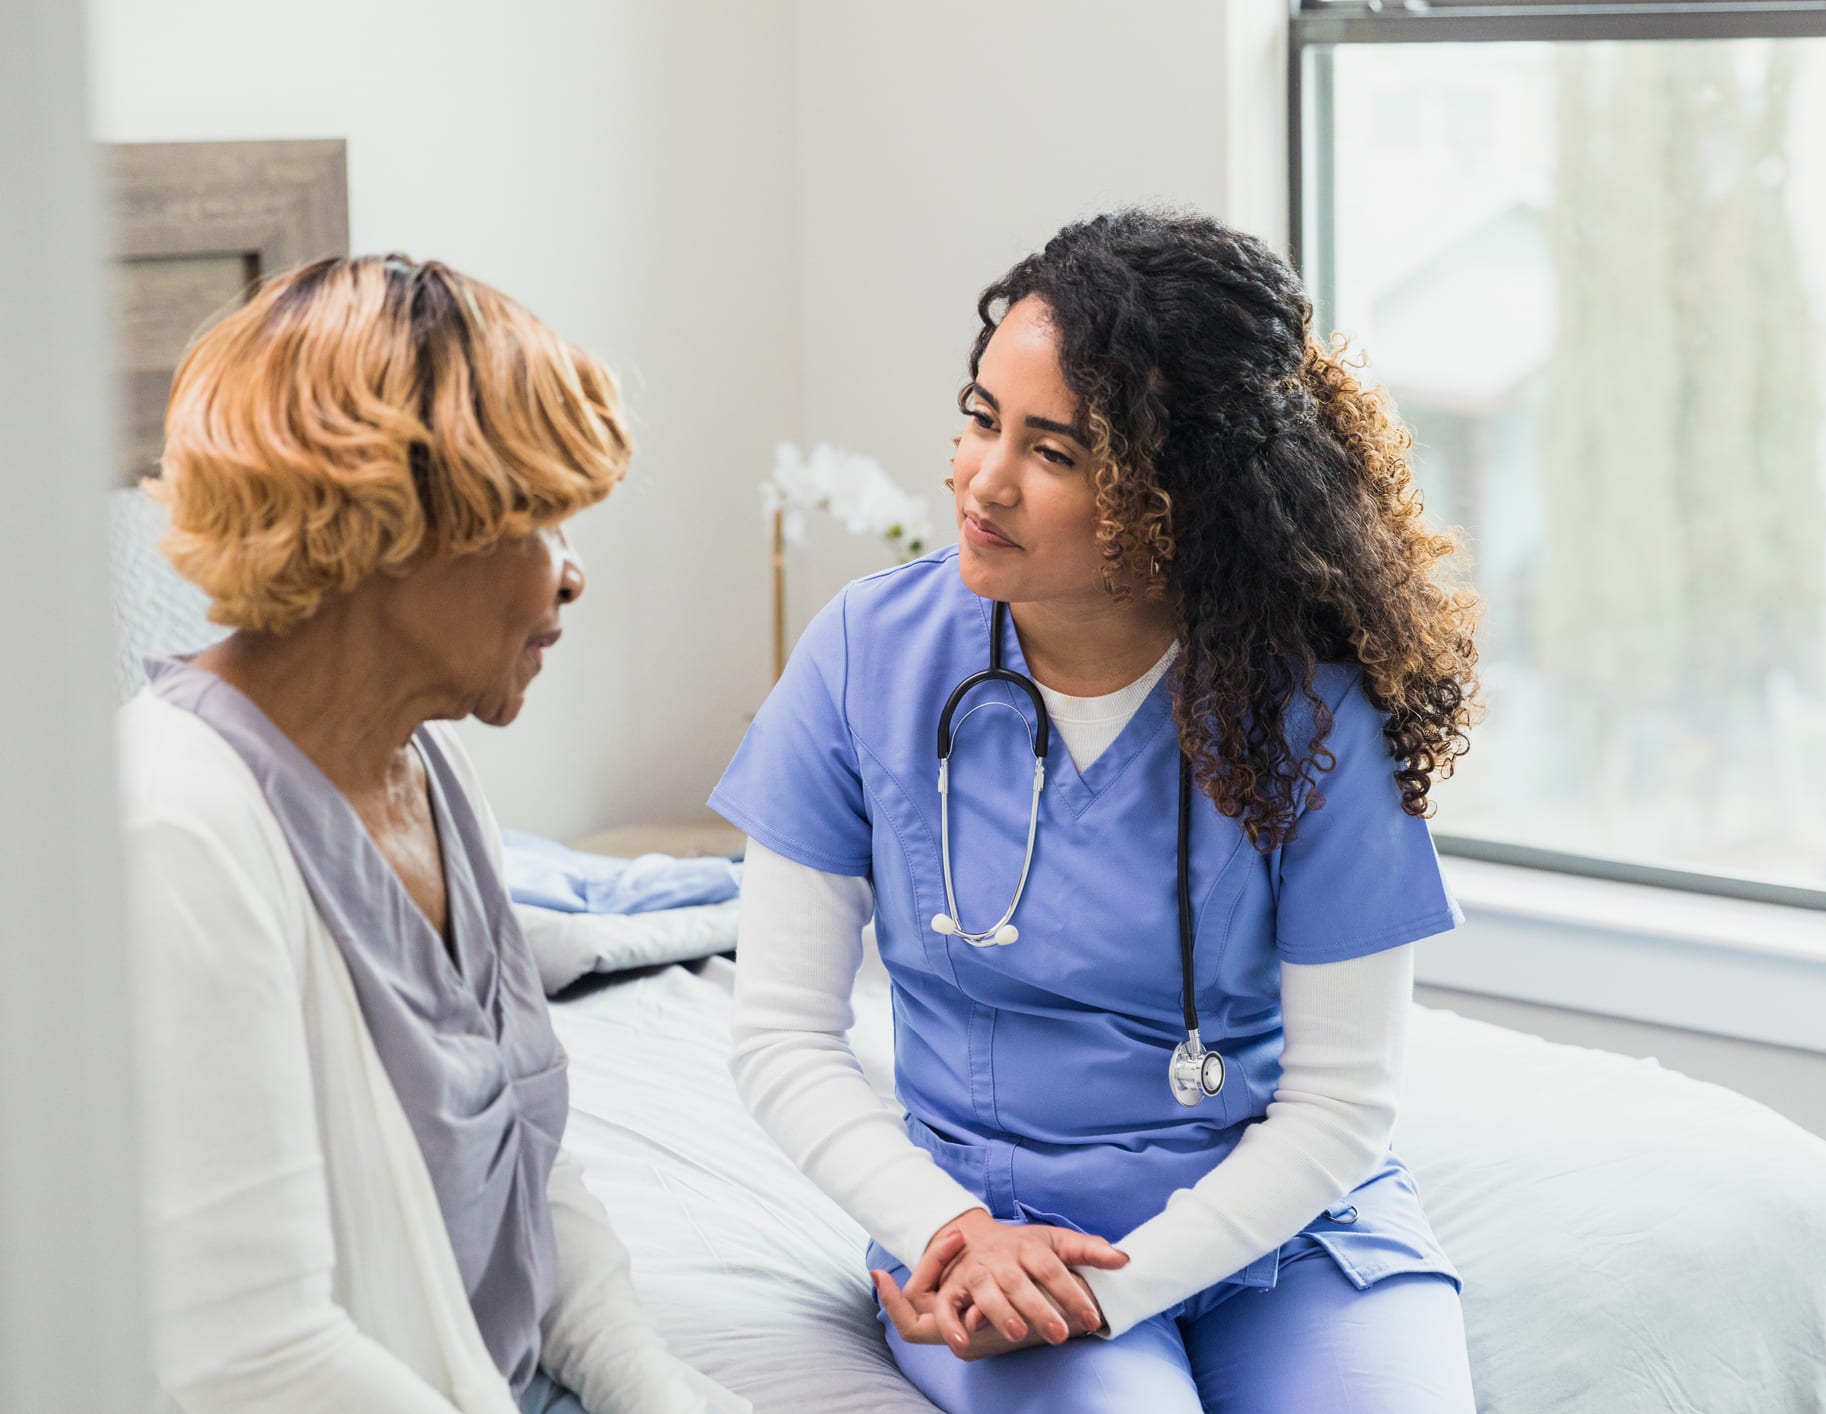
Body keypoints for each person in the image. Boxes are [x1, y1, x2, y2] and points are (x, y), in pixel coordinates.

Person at [715, 208, 1482, 1412]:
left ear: (1178, 494)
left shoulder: (1313, 706)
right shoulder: (868, 655)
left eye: (1055, 453)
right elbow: (779, 1035)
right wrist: (950, 1234)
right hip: (995, 1234)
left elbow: (1341, 1102)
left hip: (1287, 1233)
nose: (983, 478)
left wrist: (1117, 1291)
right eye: (980, 419)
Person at [119, 256, 747, 1414]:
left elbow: (526, 1168)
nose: (573, 573)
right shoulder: (175, 828)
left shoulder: (432, 762)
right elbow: (250, 1357)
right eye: (537, 519)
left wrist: (657, 1385)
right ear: (390, 530)